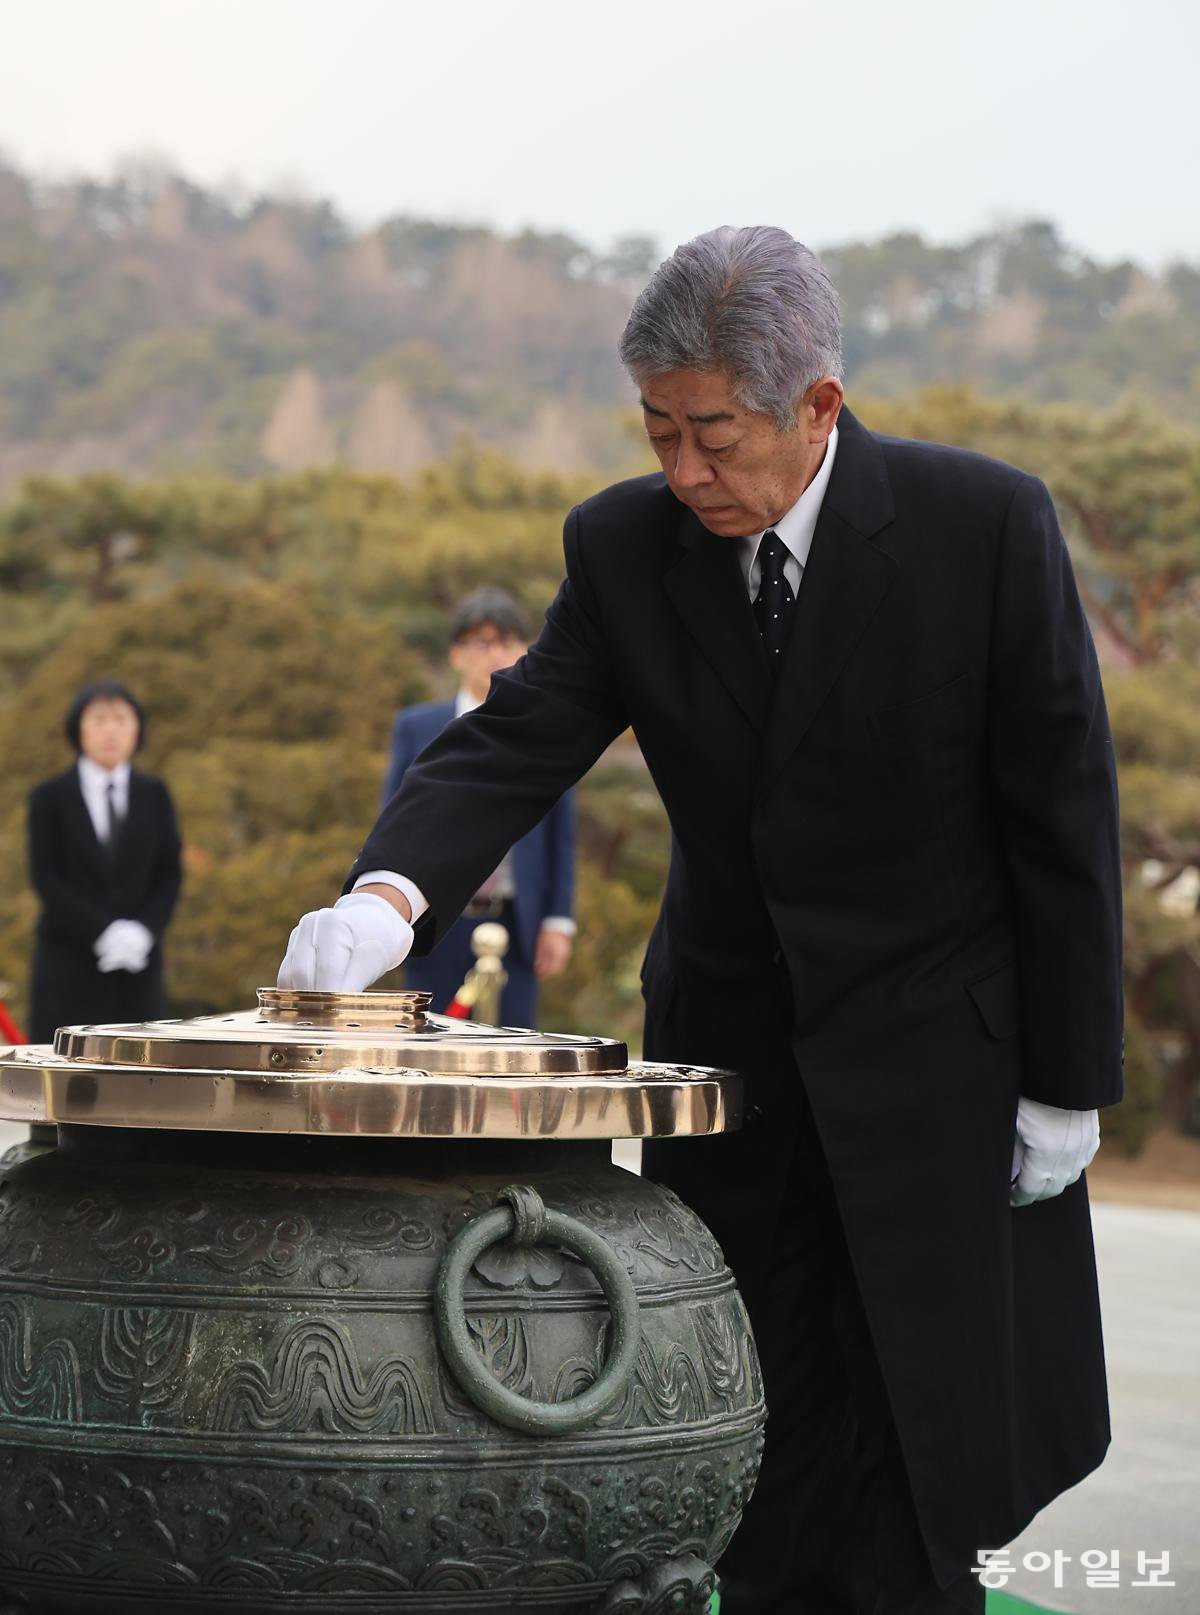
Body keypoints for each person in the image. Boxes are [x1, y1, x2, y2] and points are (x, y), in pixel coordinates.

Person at [278, 227, 1123, 1615]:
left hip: (938, 1069)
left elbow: (1063, 818)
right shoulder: (625, 546)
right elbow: (521, 734)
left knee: (918, 1460)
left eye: (715, 436)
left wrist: (1069, 1078)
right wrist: (388, 894)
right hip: (735, 1063)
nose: (685, 472)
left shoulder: (985, 528)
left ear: (819, 407)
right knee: (743, 1433)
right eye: (659, 431)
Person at [380, 587, 575, 1025]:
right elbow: (393, 823)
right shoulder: (418, 727)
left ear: (525, 649)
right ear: (455, 653)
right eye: (480, 642)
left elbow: (561, 833)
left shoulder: (545, 726)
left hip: (517, 920)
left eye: (505, 641)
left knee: (513, 1057)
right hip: (433, 920)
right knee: (430, 1050)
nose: (493, 654)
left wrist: (559, 920)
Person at [28, 679, 182, 1042]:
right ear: (78, 728)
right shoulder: (50, 796)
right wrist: (102, 932)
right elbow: (45, 875)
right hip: (68, 963)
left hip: (137, 966)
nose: (110, 730)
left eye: (120, 719)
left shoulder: (155, 795)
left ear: (137, 729)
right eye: (98, 719)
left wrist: (143, 931)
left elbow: (169, 874)